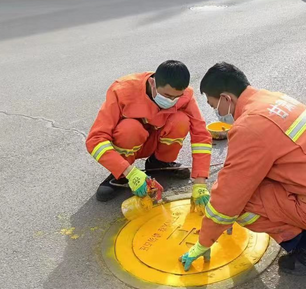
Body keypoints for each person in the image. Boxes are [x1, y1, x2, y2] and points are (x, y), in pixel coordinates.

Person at [181, 62, 306, 276]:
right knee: (246, 187)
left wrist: (204, 242)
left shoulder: (251, 126)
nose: (217, 113)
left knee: (242, 203)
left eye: (214, 106)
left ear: (226, 98)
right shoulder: (270, 99)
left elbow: (229, 195)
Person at [85, 61, 212, 202]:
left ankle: (159, 163)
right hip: (132, 141)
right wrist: (128, 172)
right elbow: (95, 139)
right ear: (152, 83)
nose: (172, 100)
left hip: (156, 139)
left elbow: (201, 135)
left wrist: (200, 182)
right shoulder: (122, 90)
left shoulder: (185, 95)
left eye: (176, 97)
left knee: (180, 121)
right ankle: (121, 175)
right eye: (167, 96)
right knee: (129, 128)